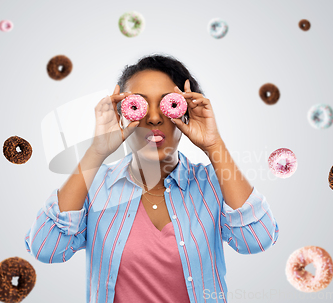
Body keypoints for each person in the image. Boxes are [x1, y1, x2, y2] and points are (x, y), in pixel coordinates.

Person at [25, 54, 279, 303]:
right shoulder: (94, 186)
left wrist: (214, 144)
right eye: (139, 105)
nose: (154, 117)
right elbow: (48, 248)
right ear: (121, 113)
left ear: (187, 112)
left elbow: (256, 239)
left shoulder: (212, 184)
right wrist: (97, 150)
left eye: (169, 104)